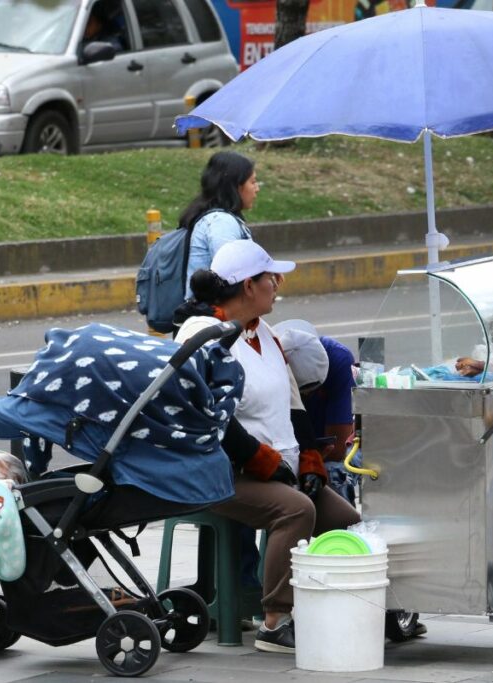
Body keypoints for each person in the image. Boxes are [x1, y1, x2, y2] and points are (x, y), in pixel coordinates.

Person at [174, 240, 361, 654]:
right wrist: (260, 460)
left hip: (276, 467)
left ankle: (317, 605)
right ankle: (275, 622)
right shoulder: (201, 334)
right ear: (247, 286)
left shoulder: (266, 333)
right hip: (220, 471)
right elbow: (210, 417)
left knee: (344, 517)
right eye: (269, 278)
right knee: (297, 510)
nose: (277, 284)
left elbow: (294, 407)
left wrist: (310, 462)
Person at [272, 319, 357, 504]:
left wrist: (313, 458)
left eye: (313, 390)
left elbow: (338, 447)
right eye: (302, 393)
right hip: (286, 449)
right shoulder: (265, 368)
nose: (307, 396)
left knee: (335, 472)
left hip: (325, 452)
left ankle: (338, 532)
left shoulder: (339, 359)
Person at [181, 151, 258, 298]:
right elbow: (232, 273)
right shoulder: (221, 222)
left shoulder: (218, 218)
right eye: (252, 182)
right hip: (216, 315)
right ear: (235, 186)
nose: (257, 188)